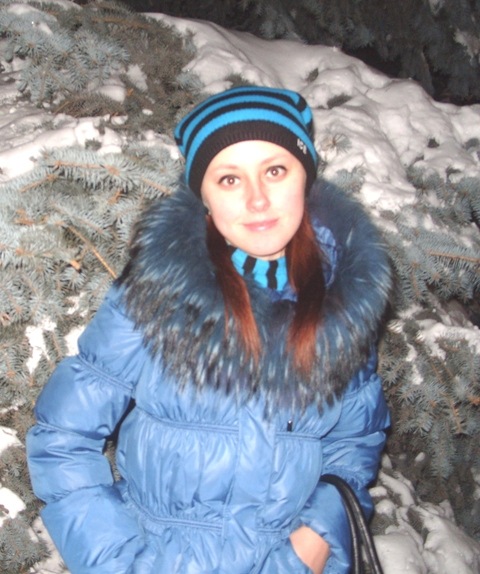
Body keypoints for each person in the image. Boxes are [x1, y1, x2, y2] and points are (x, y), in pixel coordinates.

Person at [27, 86, 392, 574]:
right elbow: (63, 438)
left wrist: (317, 538)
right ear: (204, 197)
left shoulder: (342, 300)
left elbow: (355, 439)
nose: (257, 199)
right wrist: (119, 564)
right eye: (229, 179)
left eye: (275, 171)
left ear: (305, 178)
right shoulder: (157, 294)